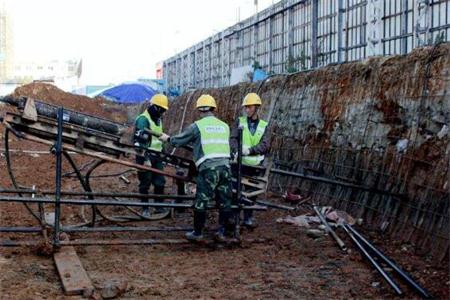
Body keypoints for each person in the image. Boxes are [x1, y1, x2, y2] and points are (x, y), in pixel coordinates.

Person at [158, 94, 233, 242]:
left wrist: (167, 138)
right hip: (225, 167)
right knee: (225, 200)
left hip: (209, 169)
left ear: (199, 110)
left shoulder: (197, 126)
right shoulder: (225, 126)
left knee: (202, 200)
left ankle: (198, 233)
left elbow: (179, 141)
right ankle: (222, 232)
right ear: (213, 109)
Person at [230, 92, 270, 228]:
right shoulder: (239, 122)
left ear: (256, 108)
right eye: (245, 107)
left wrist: (250, 151)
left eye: (249, 107)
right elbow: (233, 138)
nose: (247, 110)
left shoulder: (263, 125)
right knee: (235, 190)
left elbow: (265, 145)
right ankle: (234, 217)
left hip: (254, 165)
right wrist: (236, 150)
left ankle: (248, 217)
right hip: (238, 163)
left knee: (251, 193)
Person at [134, 94, 169, 217]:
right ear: (155, 107)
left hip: (157, 156)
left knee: (160, 182)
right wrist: (145, 159)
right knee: (145, 182)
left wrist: (164, 153)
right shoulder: (143, 119)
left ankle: (159, 206)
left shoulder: (158, 119)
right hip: (145, 155)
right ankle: (145, 208)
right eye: (162, 110)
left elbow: (158, 137)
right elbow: (139, 142)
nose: (163, 113)